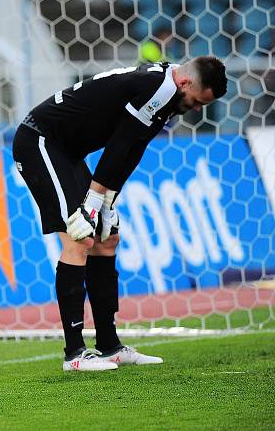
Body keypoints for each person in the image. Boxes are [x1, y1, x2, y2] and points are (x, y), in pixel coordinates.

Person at [12, 57, 227, 371]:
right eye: (197, 101)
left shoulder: (167, 94)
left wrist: (108, 202)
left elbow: (132, 150)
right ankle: (74, 355)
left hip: (68, 151)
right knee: (80, 236)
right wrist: (92, 204)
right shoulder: (157, 87)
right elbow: (119, 144)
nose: (196, 109)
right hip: (40, 140)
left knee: (107, 240)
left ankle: (109, 347)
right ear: (185, 84)